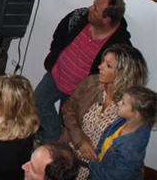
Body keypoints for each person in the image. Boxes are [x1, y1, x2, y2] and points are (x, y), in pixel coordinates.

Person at [35, 0, 131, 142]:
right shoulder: (78, 16)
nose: (89, 8)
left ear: (106, 20)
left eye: (95, 9)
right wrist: (55, 56)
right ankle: (53, 138)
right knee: (37, 103)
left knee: (67, 122)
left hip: (77, 93)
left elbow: (118, 74)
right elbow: (58, 36)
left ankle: (52, 149)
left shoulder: (120, 46)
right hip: (55, 76)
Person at [59, 44, 148, 180]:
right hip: (67, 158)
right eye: (103, 61)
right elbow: (68, 108)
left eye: (108, 65)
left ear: (124, 74)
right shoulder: (92, 83)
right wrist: (80, 140)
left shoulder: (131, 108)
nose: (100, 67)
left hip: (96, 172)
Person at [89, 86, 156, 180]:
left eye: (123, 103)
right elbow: (106, 137)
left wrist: (92, 162)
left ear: (136, 114)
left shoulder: (129, 151)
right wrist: (97, 153)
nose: (118, 103)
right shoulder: (127, 120)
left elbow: (110, 177)